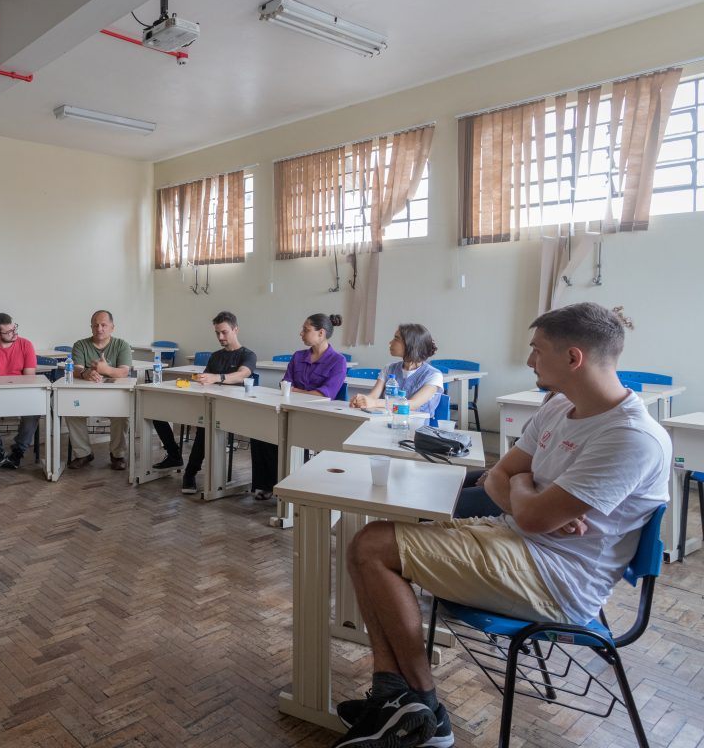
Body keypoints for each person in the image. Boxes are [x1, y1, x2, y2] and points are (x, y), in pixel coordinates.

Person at [334, 303, 670, 748]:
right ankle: (393, 699)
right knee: (368, 541)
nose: (529, 360)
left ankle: (426, 711)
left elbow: (525, 508)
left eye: (537, 350)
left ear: (574, 358)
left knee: (373, 546)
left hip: (558, 580)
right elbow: (498, 476)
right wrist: (529, 491)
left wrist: (524, 490)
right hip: (520, 544)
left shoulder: (631, 437)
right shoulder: (559, 409)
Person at [151, 311, 256, 494]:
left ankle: (190, 473)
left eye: (224, 332)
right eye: (217, 333)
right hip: (206, 402)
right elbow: (206, 380)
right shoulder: (215, 356)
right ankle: (174, 455)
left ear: (235, 330)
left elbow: (242, 374)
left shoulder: (248, 355)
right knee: (158, 413)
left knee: (205, 427)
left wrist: (217, 377)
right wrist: (203, 379)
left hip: (231, 408)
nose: (220, 337)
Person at [248, 313, 346, 500]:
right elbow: (284, 384)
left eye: (306, 330)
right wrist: (295, 390)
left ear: (321, 333)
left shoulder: (338, 361)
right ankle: (269, 484)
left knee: (286, 434)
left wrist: (295, 390)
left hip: (318, 415)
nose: (301, 333)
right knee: (260, 431)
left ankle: (291, 485)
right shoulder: (298, 356)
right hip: (290, 410)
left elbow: (324, 394)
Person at [67, 310, 133, 472]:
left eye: (104, 325)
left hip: (113, 396)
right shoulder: (80, 345)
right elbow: (76, 369)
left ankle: (117, 455)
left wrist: (106, 369)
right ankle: (83, 453)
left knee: (121, 415)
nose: (99, 328)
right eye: (96, 325)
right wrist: (86, 373)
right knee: (71, 412)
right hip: (85, 394)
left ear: (112, 327)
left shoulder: (122, 345)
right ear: (91, 327)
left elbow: (124, 372)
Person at [0, 312, 39, 470]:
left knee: (34, 410)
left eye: (14, 328)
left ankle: (18, 450)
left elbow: (29, 378)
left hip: (21, 393)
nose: (14, 333)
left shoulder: (26, 345)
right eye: (9, 332)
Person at [349, 323, 444, 418]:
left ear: (410, 344)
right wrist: (361, 400)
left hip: (415, 427)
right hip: (385, 422)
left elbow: (413, 404)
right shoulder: (389, 368)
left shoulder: (434, 375)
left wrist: (374, 402)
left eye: (396, 339)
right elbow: (373, 396)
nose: (390, 342)